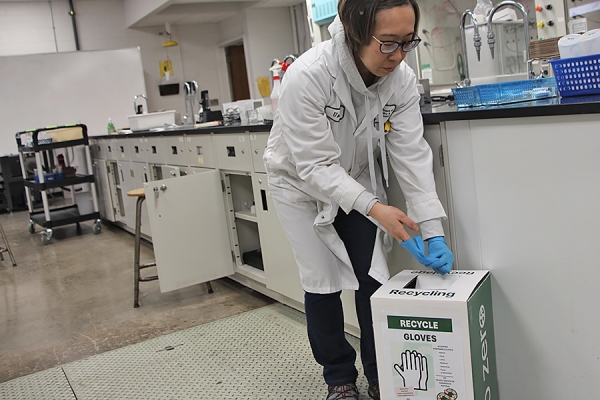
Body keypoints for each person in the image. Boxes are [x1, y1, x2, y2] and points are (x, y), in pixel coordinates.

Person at [263, 0, 454, 399]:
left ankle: (381, 371)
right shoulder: (309, 76)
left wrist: (433, 229)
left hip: (357, 181)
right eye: (388, 43)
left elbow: (411, 154)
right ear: (354, 31)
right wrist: (376, 208)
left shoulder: (399, 78)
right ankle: (339, 378)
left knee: (372, 278)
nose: (399, 56)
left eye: (407, 42)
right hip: (299, 186)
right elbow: (314, 166)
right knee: (322, 281)